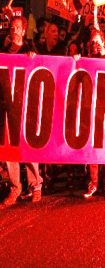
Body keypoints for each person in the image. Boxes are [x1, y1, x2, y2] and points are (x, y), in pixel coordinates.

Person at [1, 14, 43, 205]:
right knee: (10, 148)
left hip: (25, 106)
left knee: (27, 146)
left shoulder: (29, 49)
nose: (14, 30)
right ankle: (15, 187)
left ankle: (36, 186)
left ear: (24, 30)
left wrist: (32, 59)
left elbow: (39, 70)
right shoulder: (3, 50)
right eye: (12, 27)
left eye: (18, 27)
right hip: (7, 106)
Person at [82, 29, 105, 198]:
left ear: (103, 42)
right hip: (91, 106)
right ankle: (94, 181)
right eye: (93, 42)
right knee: (92, 146)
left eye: (98, 41)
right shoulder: (86, 59)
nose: (95, 44)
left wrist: (103, 55)